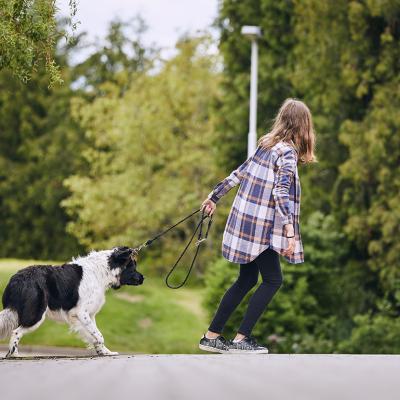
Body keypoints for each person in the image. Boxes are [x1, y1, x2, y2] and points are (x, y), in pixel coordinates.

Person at [199, 98, 317, 354]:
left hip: (246, 223)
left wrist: (213, 196)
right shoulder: (286, 151)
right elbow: (281, 192)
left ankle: (212, 336)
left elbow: (239, 173)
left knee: (247, 278)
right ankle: (242, 339)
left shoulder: (266, 144)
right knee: (273, 280)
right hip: (263, 227)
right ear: (302, 126)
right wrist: (289, 231)